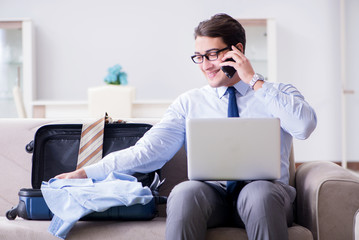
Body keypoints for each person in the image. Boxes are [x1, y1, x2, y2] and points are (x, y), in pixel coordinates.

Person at [56, 13, 317, 240]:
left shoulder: (276, 93)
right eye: (199, 57)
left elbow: (304, 126)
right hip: (212, 196)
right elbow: (148, 151)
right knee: (183, 192)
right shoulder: (190, 102)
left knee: (259, 193)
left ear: (236, 50)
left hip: (266, 196)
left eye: (212, 55)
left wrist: (253, 81)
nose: (205, 65)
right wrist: (87, 173)